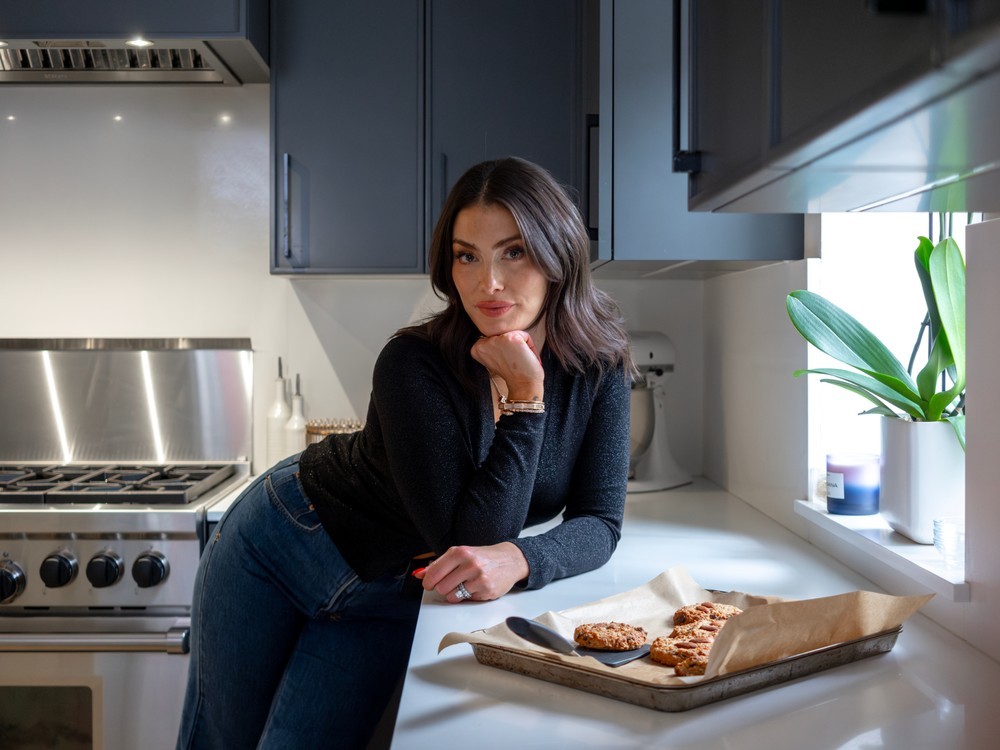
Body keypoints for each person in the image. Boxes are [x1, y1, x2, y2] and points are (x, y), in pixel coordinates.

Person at [176, 157, 633, 750]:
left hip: (395, 588)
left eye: (513, 252)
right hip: (283, 541)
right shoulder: (413, 363)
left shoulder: (600, 366)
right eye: (467, 255)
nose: (487, 282)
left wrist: (520, 559)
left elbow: (601, 521)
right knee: (220, 740)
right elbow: (463, 536)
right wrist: (525, 396)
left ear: (558, 254)